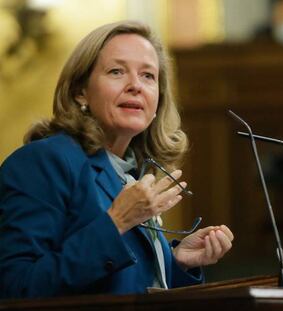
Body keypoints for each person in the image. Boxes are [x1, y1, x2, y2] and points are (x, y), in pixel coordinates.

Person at [0, 20, 233, 299]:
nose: (136, 85)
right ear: (80, 91)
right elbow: (15, 286)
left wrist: (175, 262)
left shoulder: (129, 172)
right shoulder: (44, 161)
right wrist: (117, 221)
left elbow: (127, 285)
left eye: (148, 76)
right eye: (116, 71)